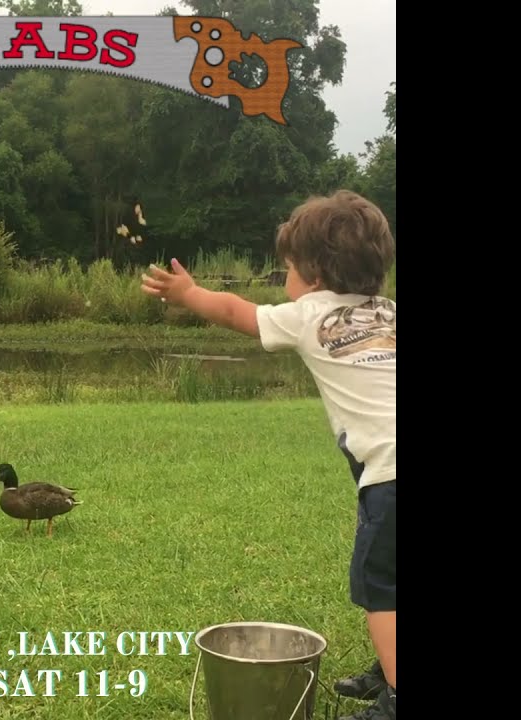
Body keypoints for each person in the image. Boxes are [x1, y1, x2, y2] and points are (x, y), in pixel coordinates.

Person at [140, 190, 396, 720]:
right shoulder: (390, 314)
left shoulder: (309, 313)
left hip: (389, 474)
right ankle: (388, 666)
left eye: (288, 268)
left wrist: (189, 293)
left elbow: (237, 312)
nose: (286, 278)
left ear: (314, 275)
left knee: (382, 588)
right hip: (384, 467)